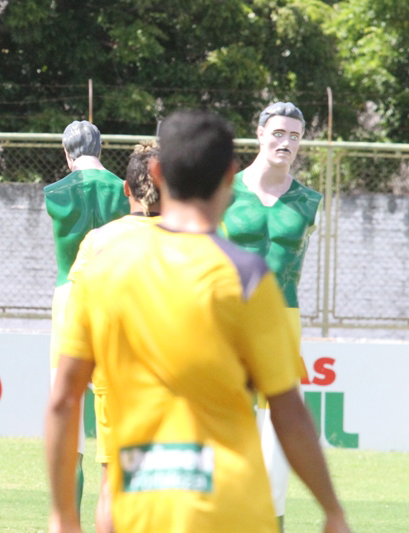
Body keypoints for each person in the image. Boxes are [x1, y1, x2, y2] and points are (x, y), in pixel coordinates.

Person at [46, 110, 350, 533]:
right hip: (231, 505)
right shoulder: (247, 276)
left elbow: (63, 399)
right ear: (230, 174)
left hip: (142, 502)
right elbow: (287, 409)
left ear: (155, 172)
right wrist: (332, 509)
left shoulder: (104, 269)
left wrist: (62, 514)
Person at [220, 102, 322, 531]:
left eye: (295, 136)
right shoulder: (224, 191)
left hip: (282, 317)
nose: (286, 143)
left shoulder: (307, 200)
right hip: (227, 318)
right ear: (259, 133)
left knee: (278, 439)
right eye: (279, 133)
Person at [66, 141, 160, 533]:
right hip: (174, 376)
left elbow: (80, 311)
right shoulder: (195, 240)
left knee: (113, 481)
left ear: (126, 188)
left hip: (114, 374)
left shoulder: (98, 241)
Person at [44, 120, 129, 516]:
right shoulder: (123, 189)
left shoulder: (56, 193)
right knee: (113, 418)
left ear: (66, 152)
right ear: (103, 147)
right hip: (114, 297)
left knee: (70, 420)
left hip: (69, 296)